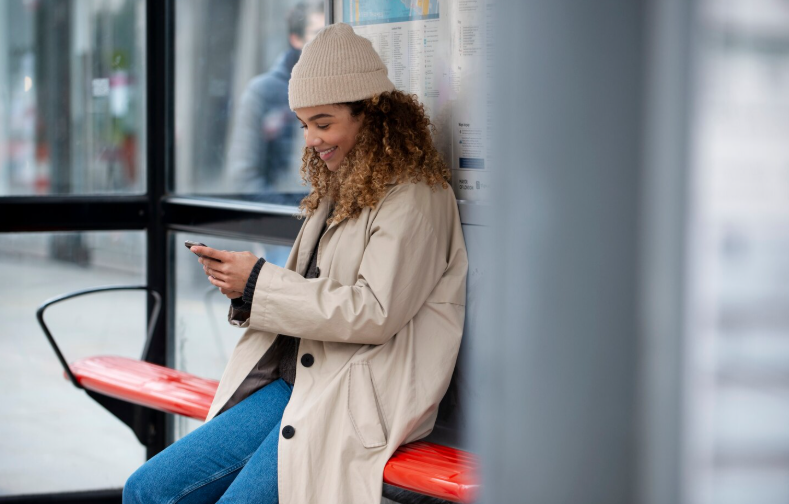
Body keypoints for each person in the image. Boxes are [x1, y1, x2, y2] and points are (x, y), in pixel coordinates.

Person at [123, 23, 468, 504]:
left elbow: (373, 312)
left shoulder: (415, 195)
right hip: (297, 380)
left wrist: (257, 283)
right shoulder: (341, 185)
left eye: (323, 123)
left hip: (349, 399)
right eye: (304, 125)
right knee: (146, 489)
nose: (310, 139)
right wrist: (245, 288)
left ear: (373, 114)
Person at [226, 2, 324, 196]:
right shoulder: (263, 92)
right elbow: (243, 177)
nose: (327, 45)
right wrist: (289, 210)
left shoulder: (345, 89)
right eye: (318, 34)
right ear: (296, 39)